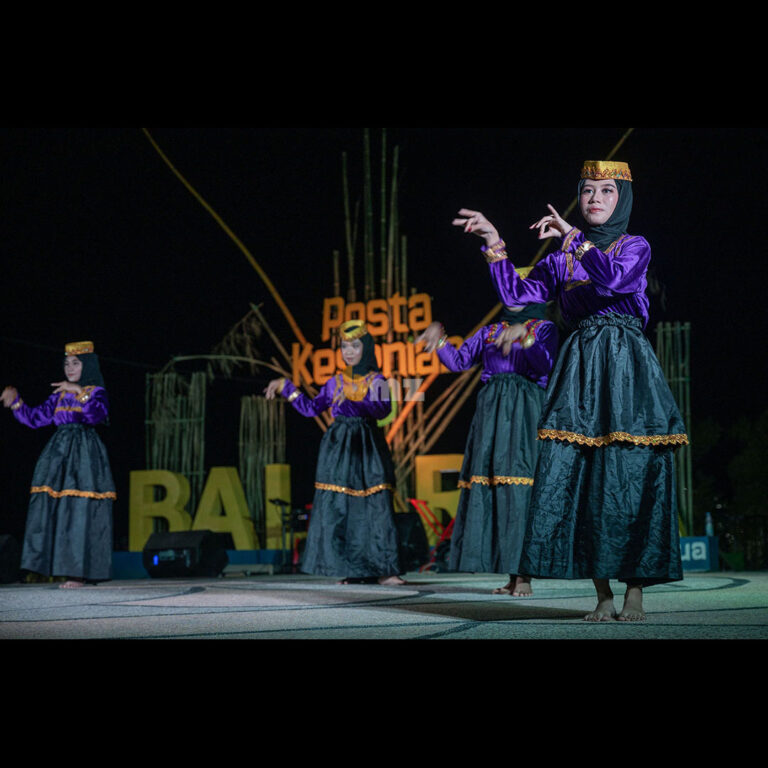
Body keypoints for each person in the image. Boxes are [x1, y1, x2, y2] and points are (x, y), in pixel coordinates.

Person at [453, 160, 688, 621]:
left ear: (622, 200)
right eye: (587, 191)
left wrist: (575, 242)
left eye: (606, 191)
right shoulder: (559, 259)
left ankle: (634, 591)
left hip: (626, 364)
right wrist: (493, 242)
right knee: (583, 474)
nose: (595, 198)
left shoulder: (633, 245)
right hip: (580, 367)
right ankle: (602, 595)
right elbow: (518, 297)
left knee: (629, 471)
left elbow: (615, 280)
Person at [416, 292, 558, 596]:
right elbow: (459, 361)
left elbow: (546, 366)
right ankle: (509, 571)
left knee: (519, 486)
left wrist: (526, 340)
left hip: (524, 409)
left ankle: (524, 575)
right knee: (496, 486)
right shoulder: (490, 331)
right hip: (491, 412)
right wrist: (439, 338)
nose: (512, 297)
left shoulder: (543, 328)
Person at [264, 319, 404, 586]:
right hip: (338, 448)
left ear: (366, 348)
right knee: (344, 509)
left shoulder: (378, 380)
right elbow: (310, 408)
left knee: (375, 507)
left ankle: (386, 569)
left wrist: (353, 403)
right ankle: (354, 570)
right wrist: (288, 388)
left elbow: (383, 409)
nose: (348, 351)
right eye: (344, 346)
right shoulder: (334, 382)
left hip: (367, 446)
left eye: (354, 345)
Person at [1, 341, 115, 588]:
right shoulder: (60, 395)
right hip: (58, 453)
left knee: (79, 510)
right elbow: (35, 419)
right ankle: (56, 567)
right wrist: (16, 403)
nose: (70, 368)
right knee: (58, 510)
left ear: (87, 366)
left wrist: (77, 391)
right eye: (66, 364)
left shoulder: (95, 391)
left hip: (84, 453)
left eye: (75, 363)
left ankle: (78, 573)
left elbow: (97, 415)